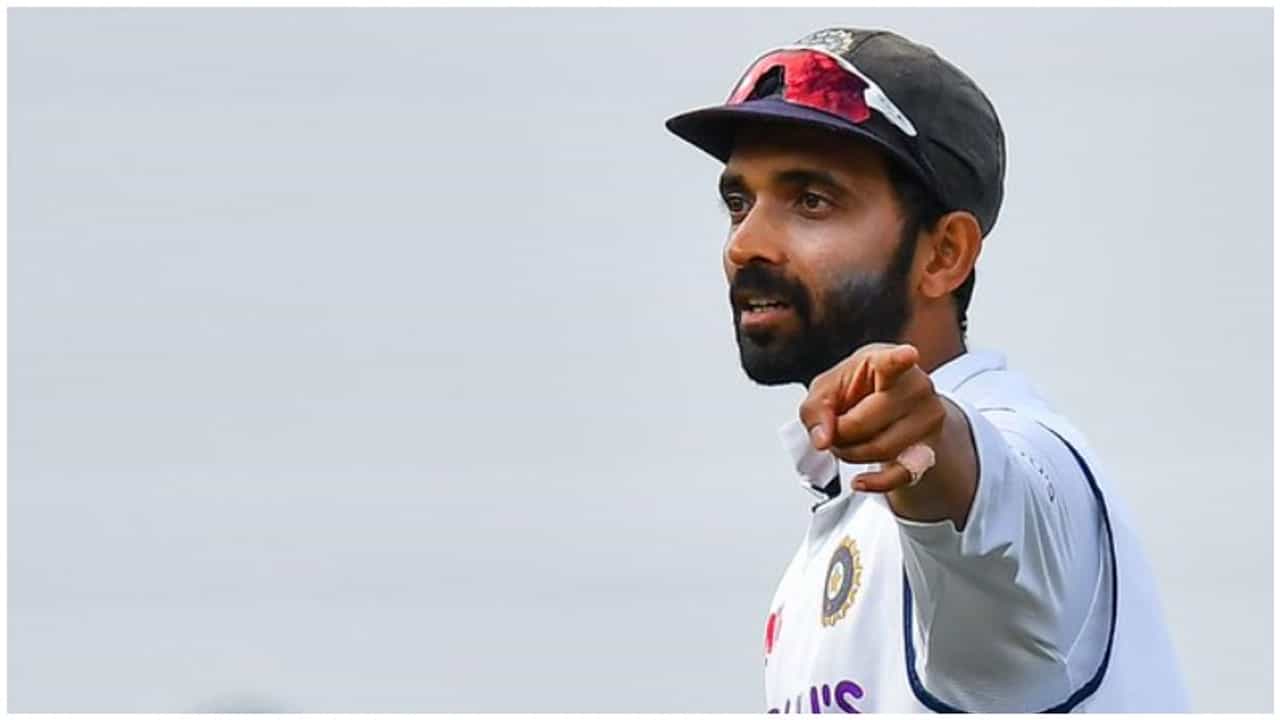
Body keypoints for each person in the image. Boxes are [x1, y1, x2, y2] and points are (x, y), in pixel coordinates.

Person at [665, 27, 1189, 712]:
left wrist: (932, 441)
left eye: (812, 200)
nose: (745, 243)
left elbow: (998, 498)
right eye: (739, 203)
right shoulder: (843, 519)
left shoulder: (1029, 454)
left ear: (944, 254)